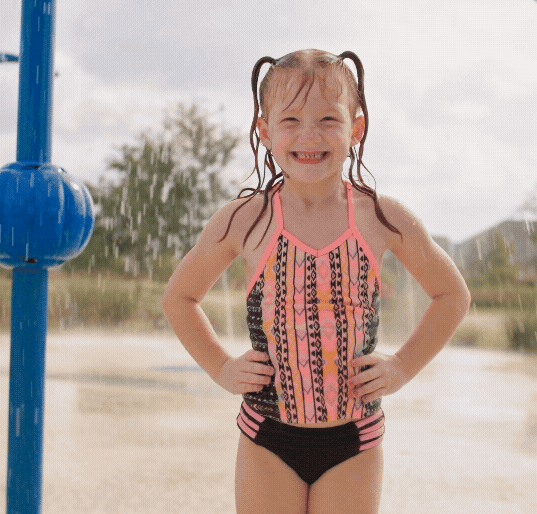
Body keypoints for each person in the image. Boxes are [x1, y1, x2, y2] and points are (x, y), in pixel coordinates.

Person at [162, 49, 470, 514]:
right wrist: (222, 368)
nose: (309, 135)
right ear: (264, 131)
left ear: (356, 128)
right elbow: (179, 298)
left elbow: (452, 295)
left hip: (353, 439)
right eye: (290, 121)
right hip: (268, 436)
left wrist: (402, 367)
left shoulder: (379, 217)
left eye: (328, 119)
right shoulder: (247, 220)